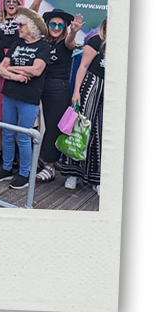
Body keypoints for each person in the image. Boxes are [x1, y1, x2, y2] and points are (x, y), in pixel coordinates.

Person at [0, 0, 58, 165]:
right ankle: (1, 150)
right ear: (3, 3)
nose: (11, 3)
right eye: (7, 1)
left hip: (19, 61)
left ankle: (19, 157)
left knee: (18, 114)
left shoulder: (24, 20)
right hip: (2, 63)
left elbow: (37, 1)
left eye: (14, 1)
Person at [0, 7, 50, 190]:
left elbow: (37, 70)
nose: (18, 28)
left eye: (21, 25)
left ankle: (25, 173)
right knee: (7, 133)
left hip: (29, 97)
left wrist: (13, 68)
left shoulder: (43, 46)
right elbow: (1, 69)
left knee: (24, 136)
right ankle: (7, 168)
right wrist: (16, 76)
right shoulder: (17, 44)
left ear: (31, 27)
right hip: (10, 94)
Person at [36, 10, 84, 182]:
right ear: (47, 25)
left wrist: (73, 32)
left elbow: (71, 42)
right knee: (37, 127)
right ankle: (41, 159)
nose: (56, 27)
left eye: (60, 25)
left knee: (53, 127)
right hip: (38, 86)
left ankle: (50, 166)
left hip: (57, 88)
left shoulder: (65, 42)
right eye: (53, 24)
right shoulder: (41, 42)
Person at [62, 18, 107, 195]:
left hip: (109, 89)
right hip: (91, 85)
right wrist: (77, 92)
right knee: (81, 128)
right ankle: (73, 174)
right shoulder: (96, 40)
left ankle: (96, 179)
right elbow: (83, 66)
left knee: (101, 132)